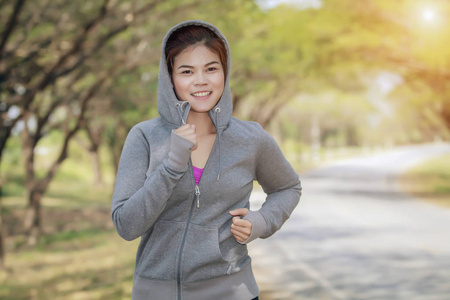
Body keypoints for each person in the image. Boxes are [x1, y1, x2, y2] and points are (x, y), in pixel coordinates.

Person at [111, 20, 302, 300]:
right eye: (187, 71)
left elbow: (288, 187)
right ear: (170, 77)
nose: (201, 81)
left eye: (211, 68)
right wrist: (172, 164)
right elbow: (126, 226)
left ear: (224, 72)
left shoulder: (250, 138)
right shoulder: (145, 137)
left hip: (233, 291)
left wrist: (261, 221)